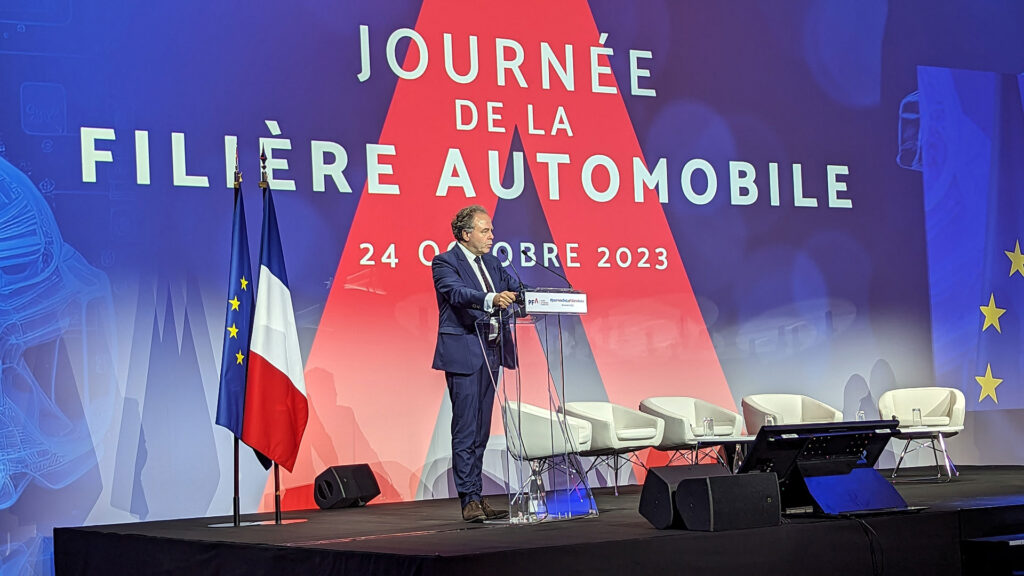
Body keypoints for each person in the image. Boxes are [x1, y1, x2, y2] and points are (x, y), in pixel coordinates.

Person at [432, 205, 522, 522]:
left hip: (492, 352)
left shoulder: (493, 263)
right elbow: (456, 293)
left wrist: (530, 296)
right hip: (465, 353)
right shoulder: (445, 262)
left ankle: (478, 495)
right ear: (466, 233)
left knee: (482, 429)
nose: (492, 236)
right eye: (485, 230)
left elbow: (515, 288)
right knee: (466, 428)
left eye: (491, 230)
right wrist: (491, 299)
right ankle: (468, 499)